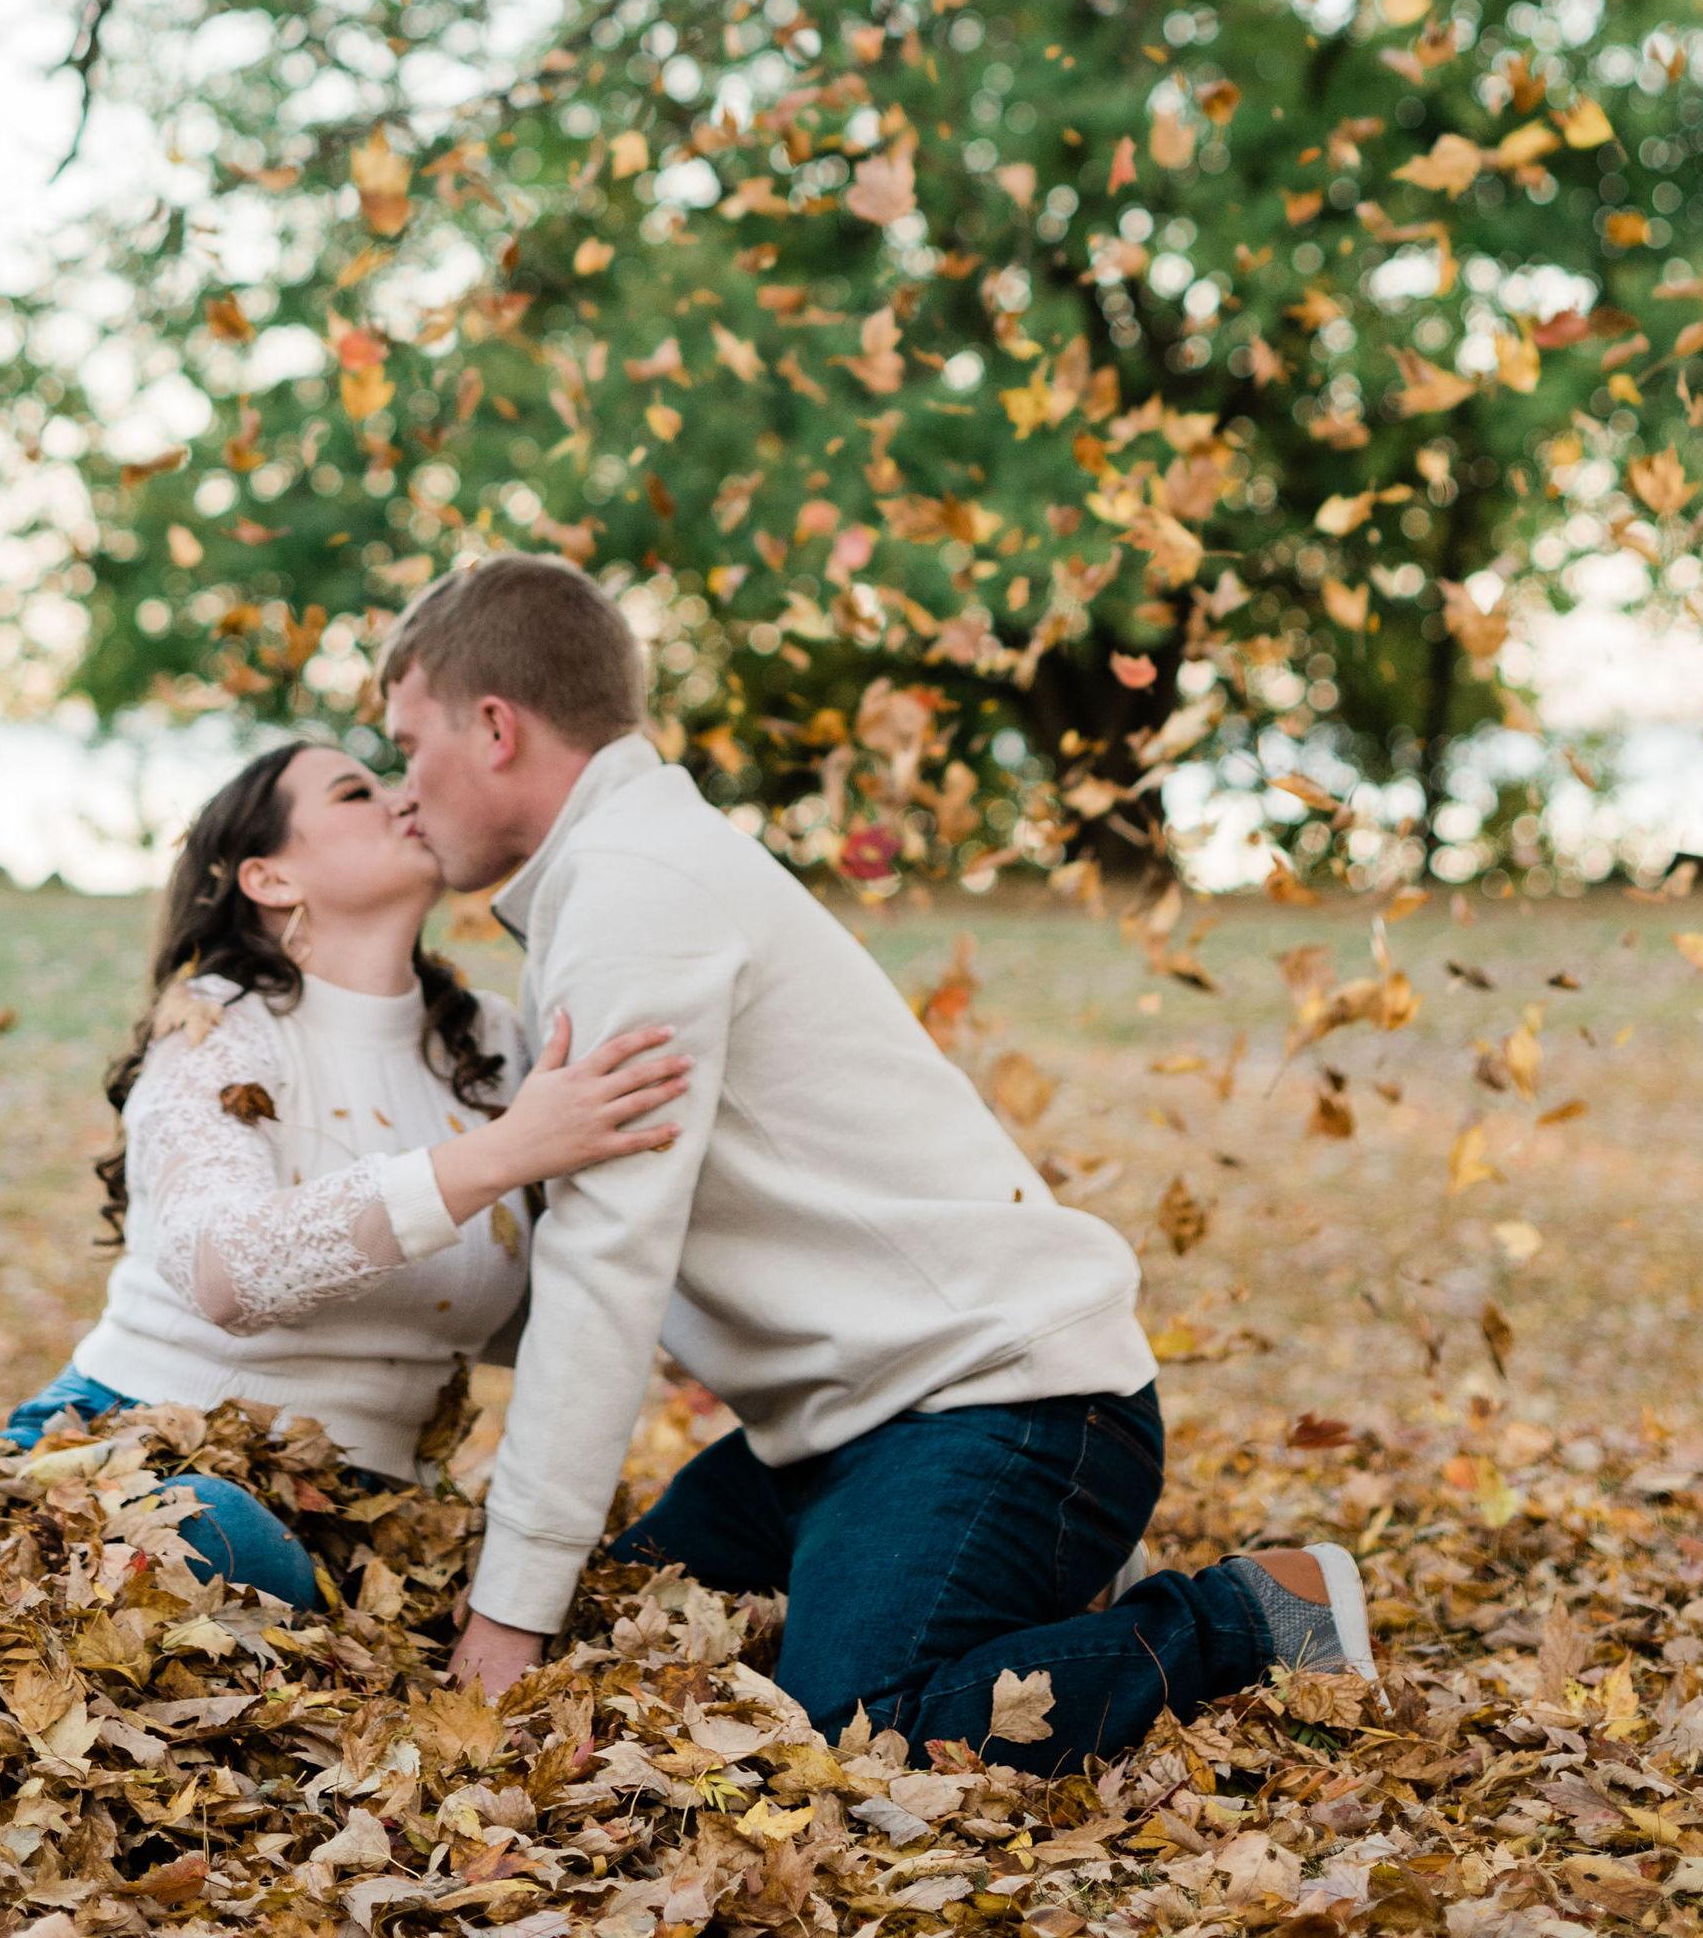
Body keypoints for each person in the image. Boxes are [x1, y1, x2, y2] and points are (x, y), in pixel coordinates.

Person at [382, 554, 1375, 1770]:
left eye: (406, 743)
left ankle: (1258, 1615)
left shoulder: (639, 888)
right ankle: (1027, 1593)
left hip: (1000, 1406)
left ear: (493, 728)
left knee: (866, 1729)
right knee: (625, 1629)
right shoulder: (616, 875)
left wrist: (502, 1617)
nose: (400, 793)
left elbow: (605, 1264)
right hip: (840, 1432)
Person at [0, 737, 687, 1641]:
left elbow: (547, 1285)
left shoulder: (492, 1044)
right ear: (270, 876)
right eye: (355, 788)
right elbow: (225, 1267)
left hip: (360, 1517)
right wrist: (502, 1156)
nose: (400, 794)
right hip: (127, 1453)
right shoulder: (213, 1032)